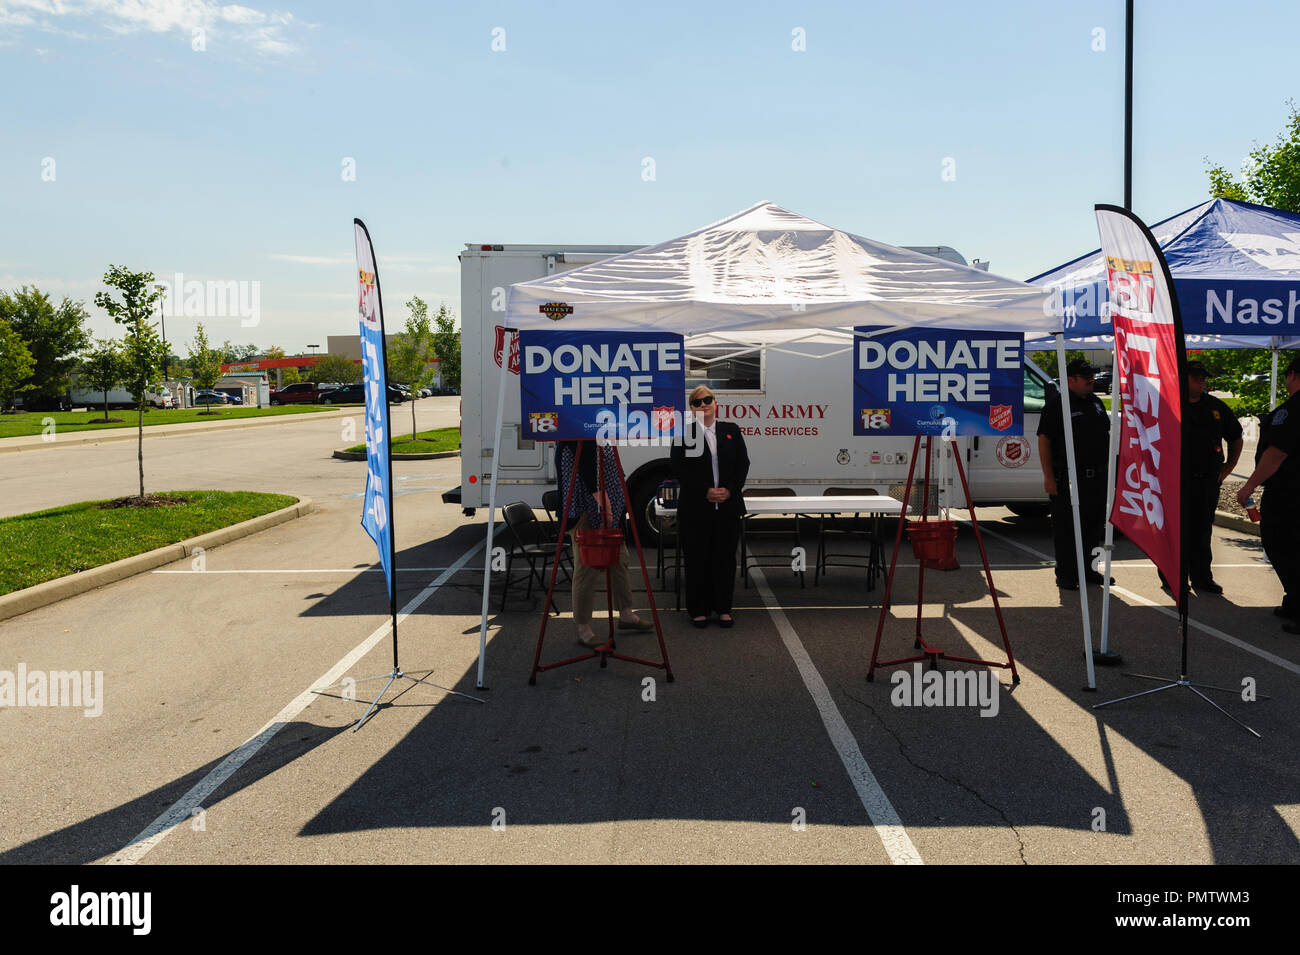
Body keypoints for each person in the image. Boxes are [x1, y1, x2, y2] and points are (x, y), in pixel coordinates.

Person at [555, 440, 653, 648]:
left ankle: (626, 614)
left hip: (603, 510)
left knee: (620, 560)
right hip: (587, 512)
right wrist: (606, 506)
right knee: (586, 569)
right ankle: (583, 629)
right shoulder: (578, 432)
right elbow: (589, 472)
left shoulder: (596, 430)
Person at [1158, 361, 1242, 595]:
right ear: (1183, 379)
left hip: (1206, 481)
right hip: (1176, 481)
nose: (1202, 381)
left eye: (1204, 377)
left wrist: (1230, 466)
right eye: (1196, 377)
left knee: (1202, 531)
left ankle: (1202, 578)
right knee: (1176, 530)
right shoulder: (1168, 405)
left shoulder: (1216, 407)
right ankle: (1172, 577)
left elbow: (1235, 436)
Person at [670, 385, 750, 628]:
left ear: (716, 403)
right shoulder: (684, 434)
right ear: (691, 409)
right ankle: (698, 610)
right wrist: (705, 490)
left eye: (707, 399)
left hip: (727, 506)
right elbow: (679, 468)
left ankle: (723, 609)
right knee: (696, 559)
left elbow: (742, 464)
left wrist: (729, 490)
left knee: (725, 559)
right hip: (696, 507)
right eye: (696, 402)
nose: (703, 404)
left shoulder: (731, 431)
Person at [1237, 357, 1300, 634]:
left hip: (1290, 493)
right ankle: (1293, 601)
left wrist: (1249, 486)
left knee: (1282, 545)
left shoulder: (1292, 410)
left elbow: (1276, 454)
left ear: (1293, 376)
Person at [1037, 358, 1111, 590]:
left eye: (1091, 375)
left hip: (1096, 478)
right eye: (1085, 377)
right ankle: (1067, 574)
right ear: (1071, 380)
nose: (1091, 380)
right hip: (1069, 477)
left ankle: (1089, 571)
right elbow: (1044, 440)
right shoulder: (1057, 405)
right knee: (1067, 528)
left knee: (1093, 526)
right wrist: (1048, 476)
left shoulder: (1096, 402)